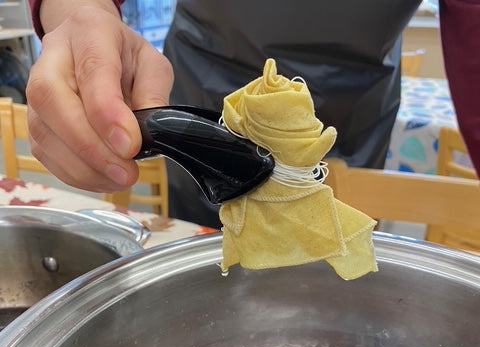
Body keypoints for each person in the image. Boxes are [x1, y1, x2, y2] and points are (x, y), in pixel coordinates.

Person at [26, 0, 480, 228]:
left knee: (332, 279)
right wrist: (79, 14)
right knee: (212, 274)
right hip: (206, 109)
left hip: (352, 113)